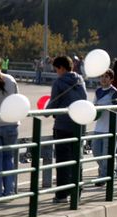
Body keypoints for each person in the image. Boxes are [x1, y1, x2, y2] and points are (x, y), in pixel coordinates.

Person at [46, 56, 88, 203]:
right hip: (79, 124)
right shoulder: (80, 80)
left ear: (62, 68)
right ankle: (77, 191)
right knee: (77, 159)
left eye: (56, 69)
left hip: (63, 125)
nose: (56, 72)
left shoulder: (59, 82)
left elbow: (54, 101)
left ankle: (62, 194)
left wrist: (46, 113)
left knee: (63, 161)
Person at [0, 58, 19, 198]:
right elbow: (17, 99)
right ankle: (9, 190)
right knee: (8, 158)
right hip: (10, 123)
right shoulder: (10, 79)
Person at [92, 69, 117, 186]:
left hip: (111, 127)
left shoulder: (114, 92)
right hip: (99, 126)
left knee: (106, 154)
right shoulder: (98, 91)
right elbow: (94, 106)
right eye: (102, 76)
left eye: (106, 76)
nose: (103, 79)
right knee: (96, 152)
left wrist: (107, 106)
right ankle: (105, 170)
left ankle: (103, 177)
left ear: (111, 79)